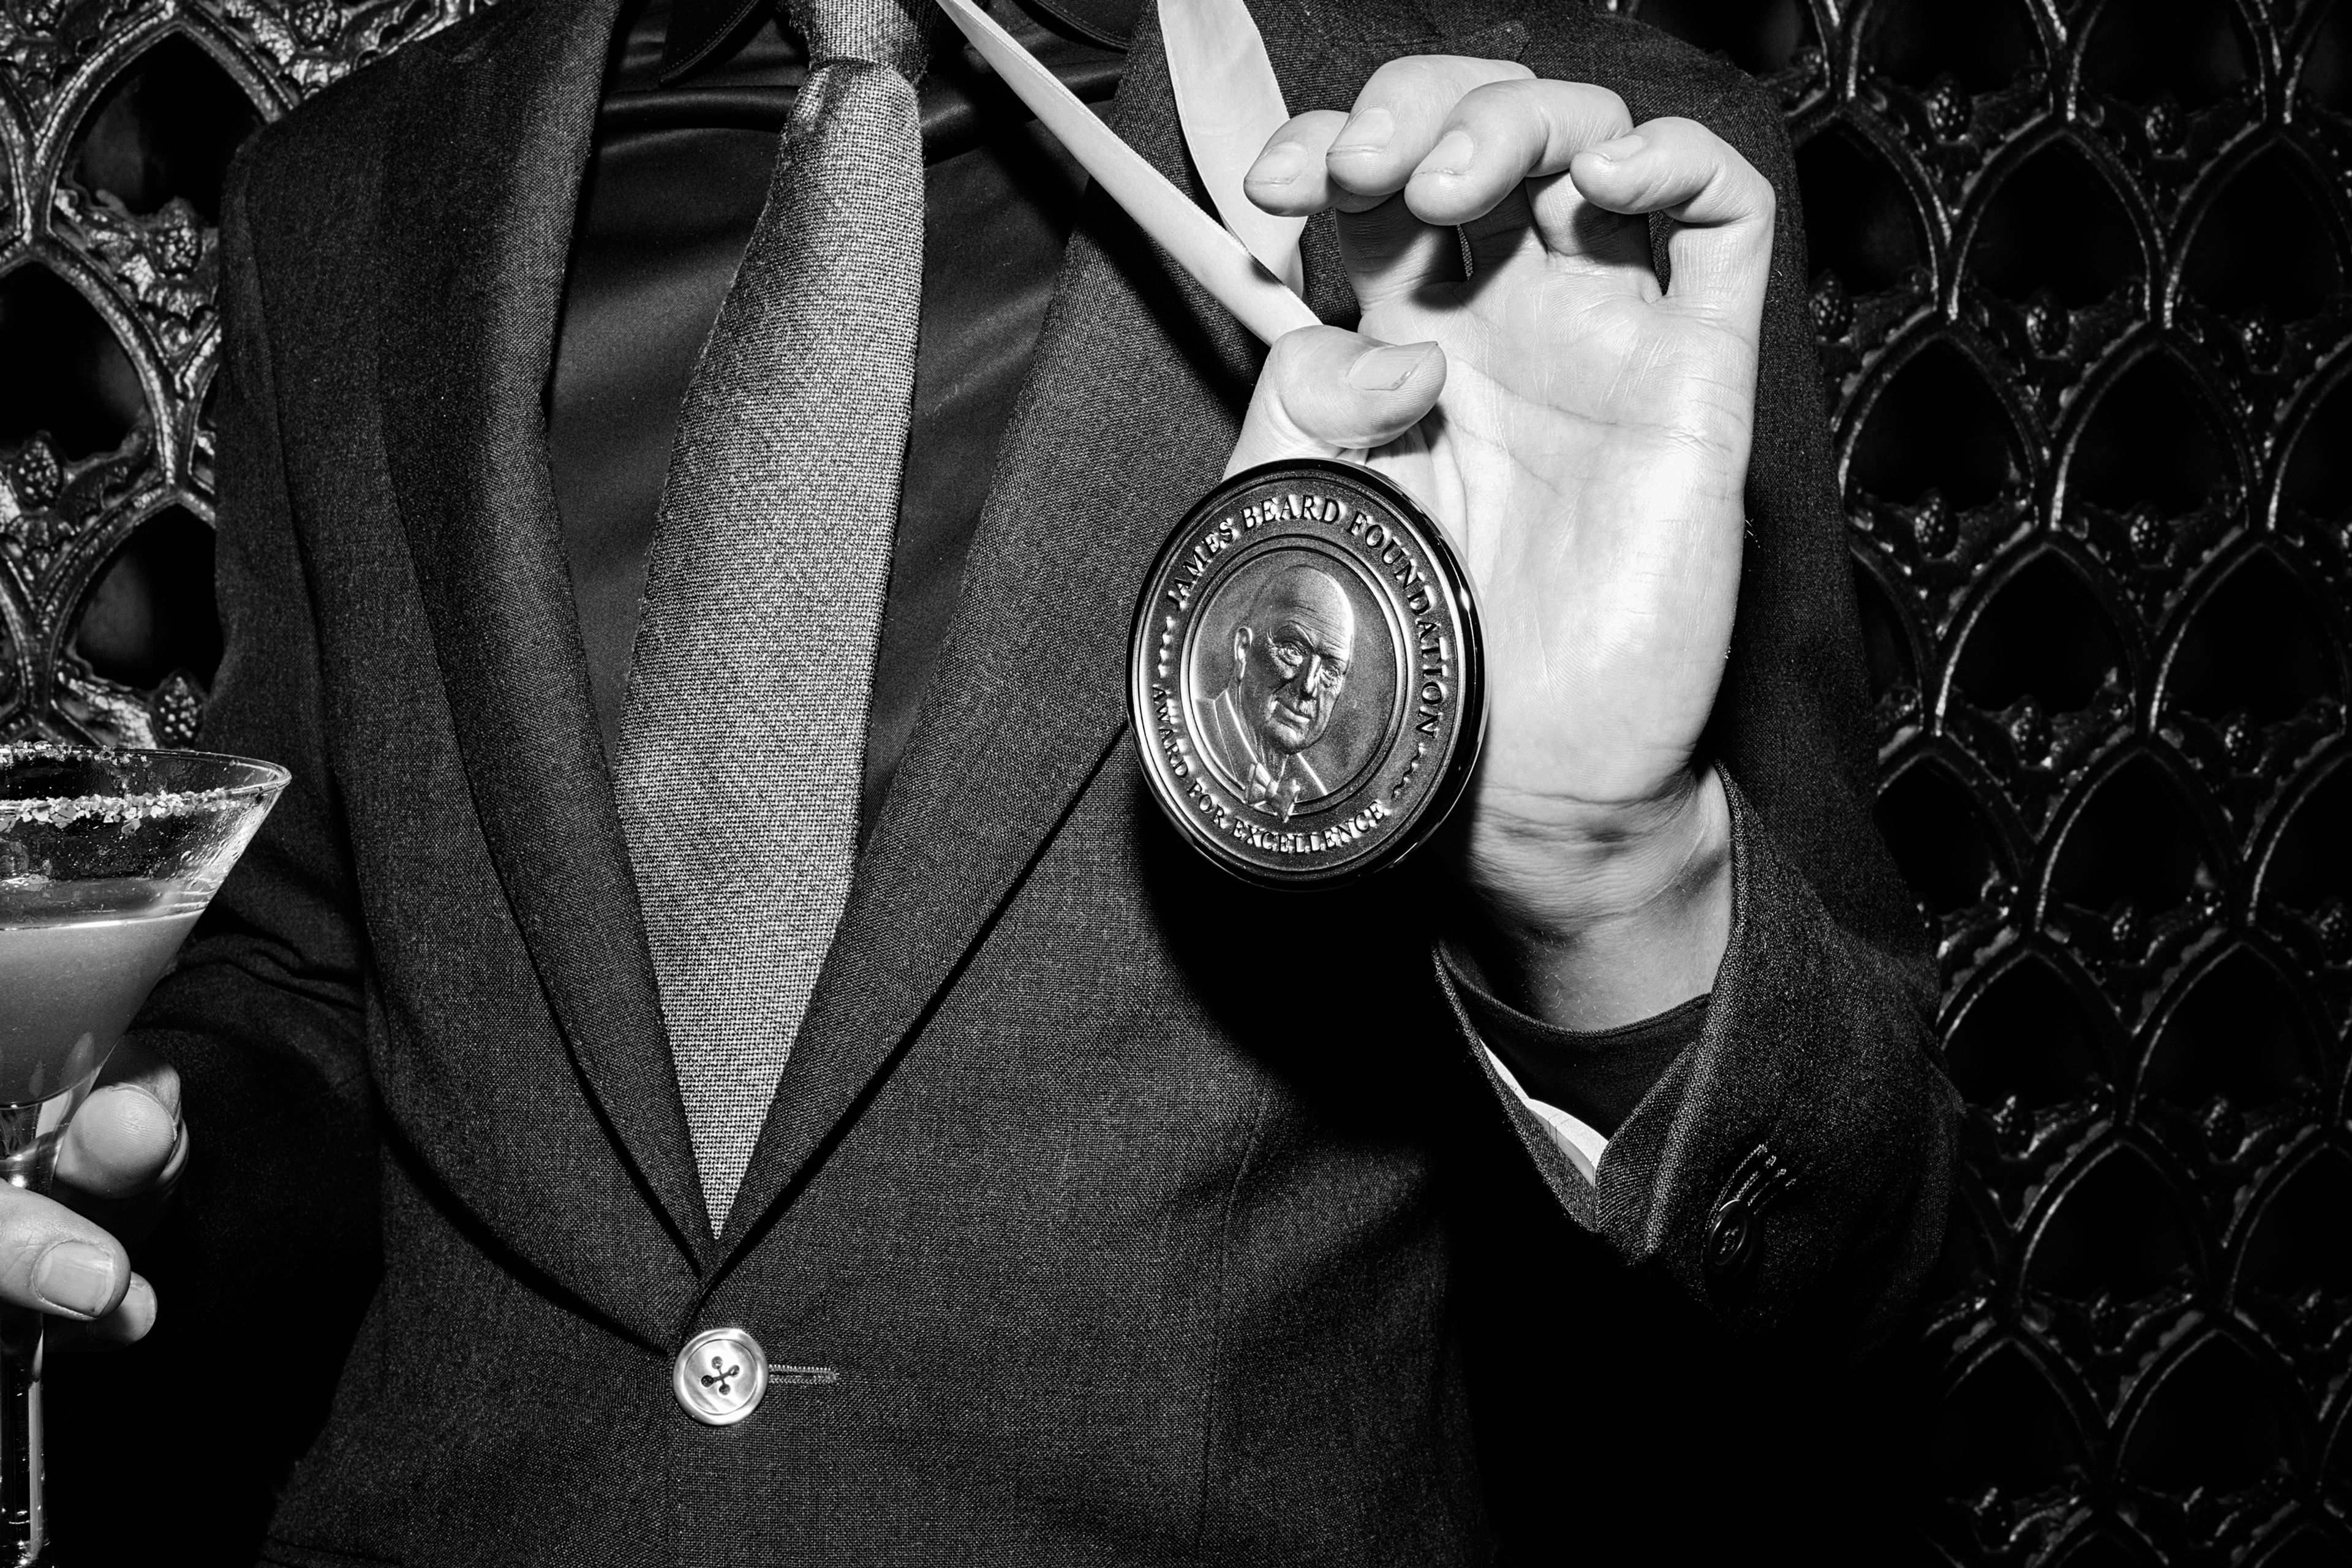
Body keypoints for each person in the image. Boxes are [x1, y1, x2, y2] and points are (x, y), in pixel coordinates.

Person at [23, 0, 1956, 1561]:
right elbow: (310, 981)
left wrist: (1600, 870)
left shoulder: (1558, 162)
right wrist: (129, 1139)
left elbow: (1837, 1268)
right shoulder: (348, 197)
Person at [1194, 560, 1357, 818]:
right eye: (1292, 650)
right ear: (1243, 650)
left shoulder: (1318, 794)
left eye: (1331, 671)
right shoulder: (1190, 731)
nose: (1308, 687)